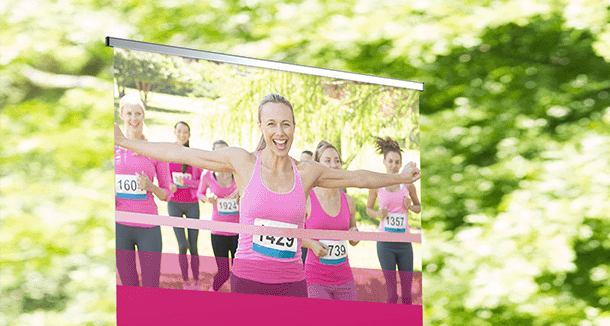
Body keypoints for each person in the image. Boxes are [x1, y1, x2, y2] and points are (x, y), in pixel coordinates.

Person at [114, 94, 420, 298]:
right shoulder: (243, 162)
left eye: (286, 124)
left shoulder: (307, 172)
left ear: (294, 128)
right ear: (261, 127)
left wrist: (400, 178)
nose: (280, 131)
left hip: (293, 283)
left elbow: (357, 177)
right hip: (248, 281)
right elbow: (176, 152)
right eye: (271, 123)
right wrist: (125, 143)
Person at [114, 94, 170, 288]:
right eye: (129, 113)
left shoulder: (154, 150)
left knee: (151, 284)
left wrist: (151, 187)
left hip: (149, 227)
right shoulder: (113, 149)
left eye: (138, 113)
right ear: (121, 114)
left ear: (143, 116)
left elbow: (166, 194)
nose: (134, 118)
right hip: (121, 227)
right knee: (128, 285)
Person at [367, 136, 420, 304]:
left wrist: (410, 206)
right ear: (384, 161)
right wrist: (378, 214)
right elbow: (369, 209)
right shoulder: (376, 185)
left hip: (405, 244)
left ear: (401, 163)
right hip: (385, 244)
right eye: (390, 161)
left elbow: (419, 208)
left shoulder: (408, 185)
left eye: (397, 162)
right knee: (391, 295)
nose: (394, 165)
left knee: (407, 295)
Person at [305, 141, 361, 301]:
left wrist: (354, 235)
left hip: (344, 277)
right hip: (316, 278)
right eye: (328, 160)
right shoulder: (307, 198)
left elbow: (353, 239)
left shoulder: (349, 201)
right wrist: (312, 244)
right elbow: (292, 235)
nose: (334, 164)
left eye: (337, 160)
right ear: (318, 165)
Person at [198, 140, 241, 292]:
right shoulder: (207, 174)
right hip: (218, 232)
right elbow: (199, 193)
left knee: (239, 272)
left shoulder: (238, 174)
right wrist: (206, 199)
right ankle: (212, 292)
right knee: (223, 272)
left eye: (225, 151)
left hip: (238, 232)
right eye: (218, 152)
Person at [166, 121, 203, 289]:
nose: (182, 134)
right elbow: (163, 178)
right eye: (179, 131)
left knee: (194, 246)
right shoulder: (168, 154)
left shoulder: (193, 156)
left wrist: (187, 181)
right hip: (174, 204)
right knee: (183, 245)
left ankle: (196, 280)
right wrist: (169, 186)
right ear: (174, 132)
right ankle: (185, 281)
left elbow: (201, 182)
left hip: (192, 205)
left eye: (185, 132)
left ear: (189, 135)